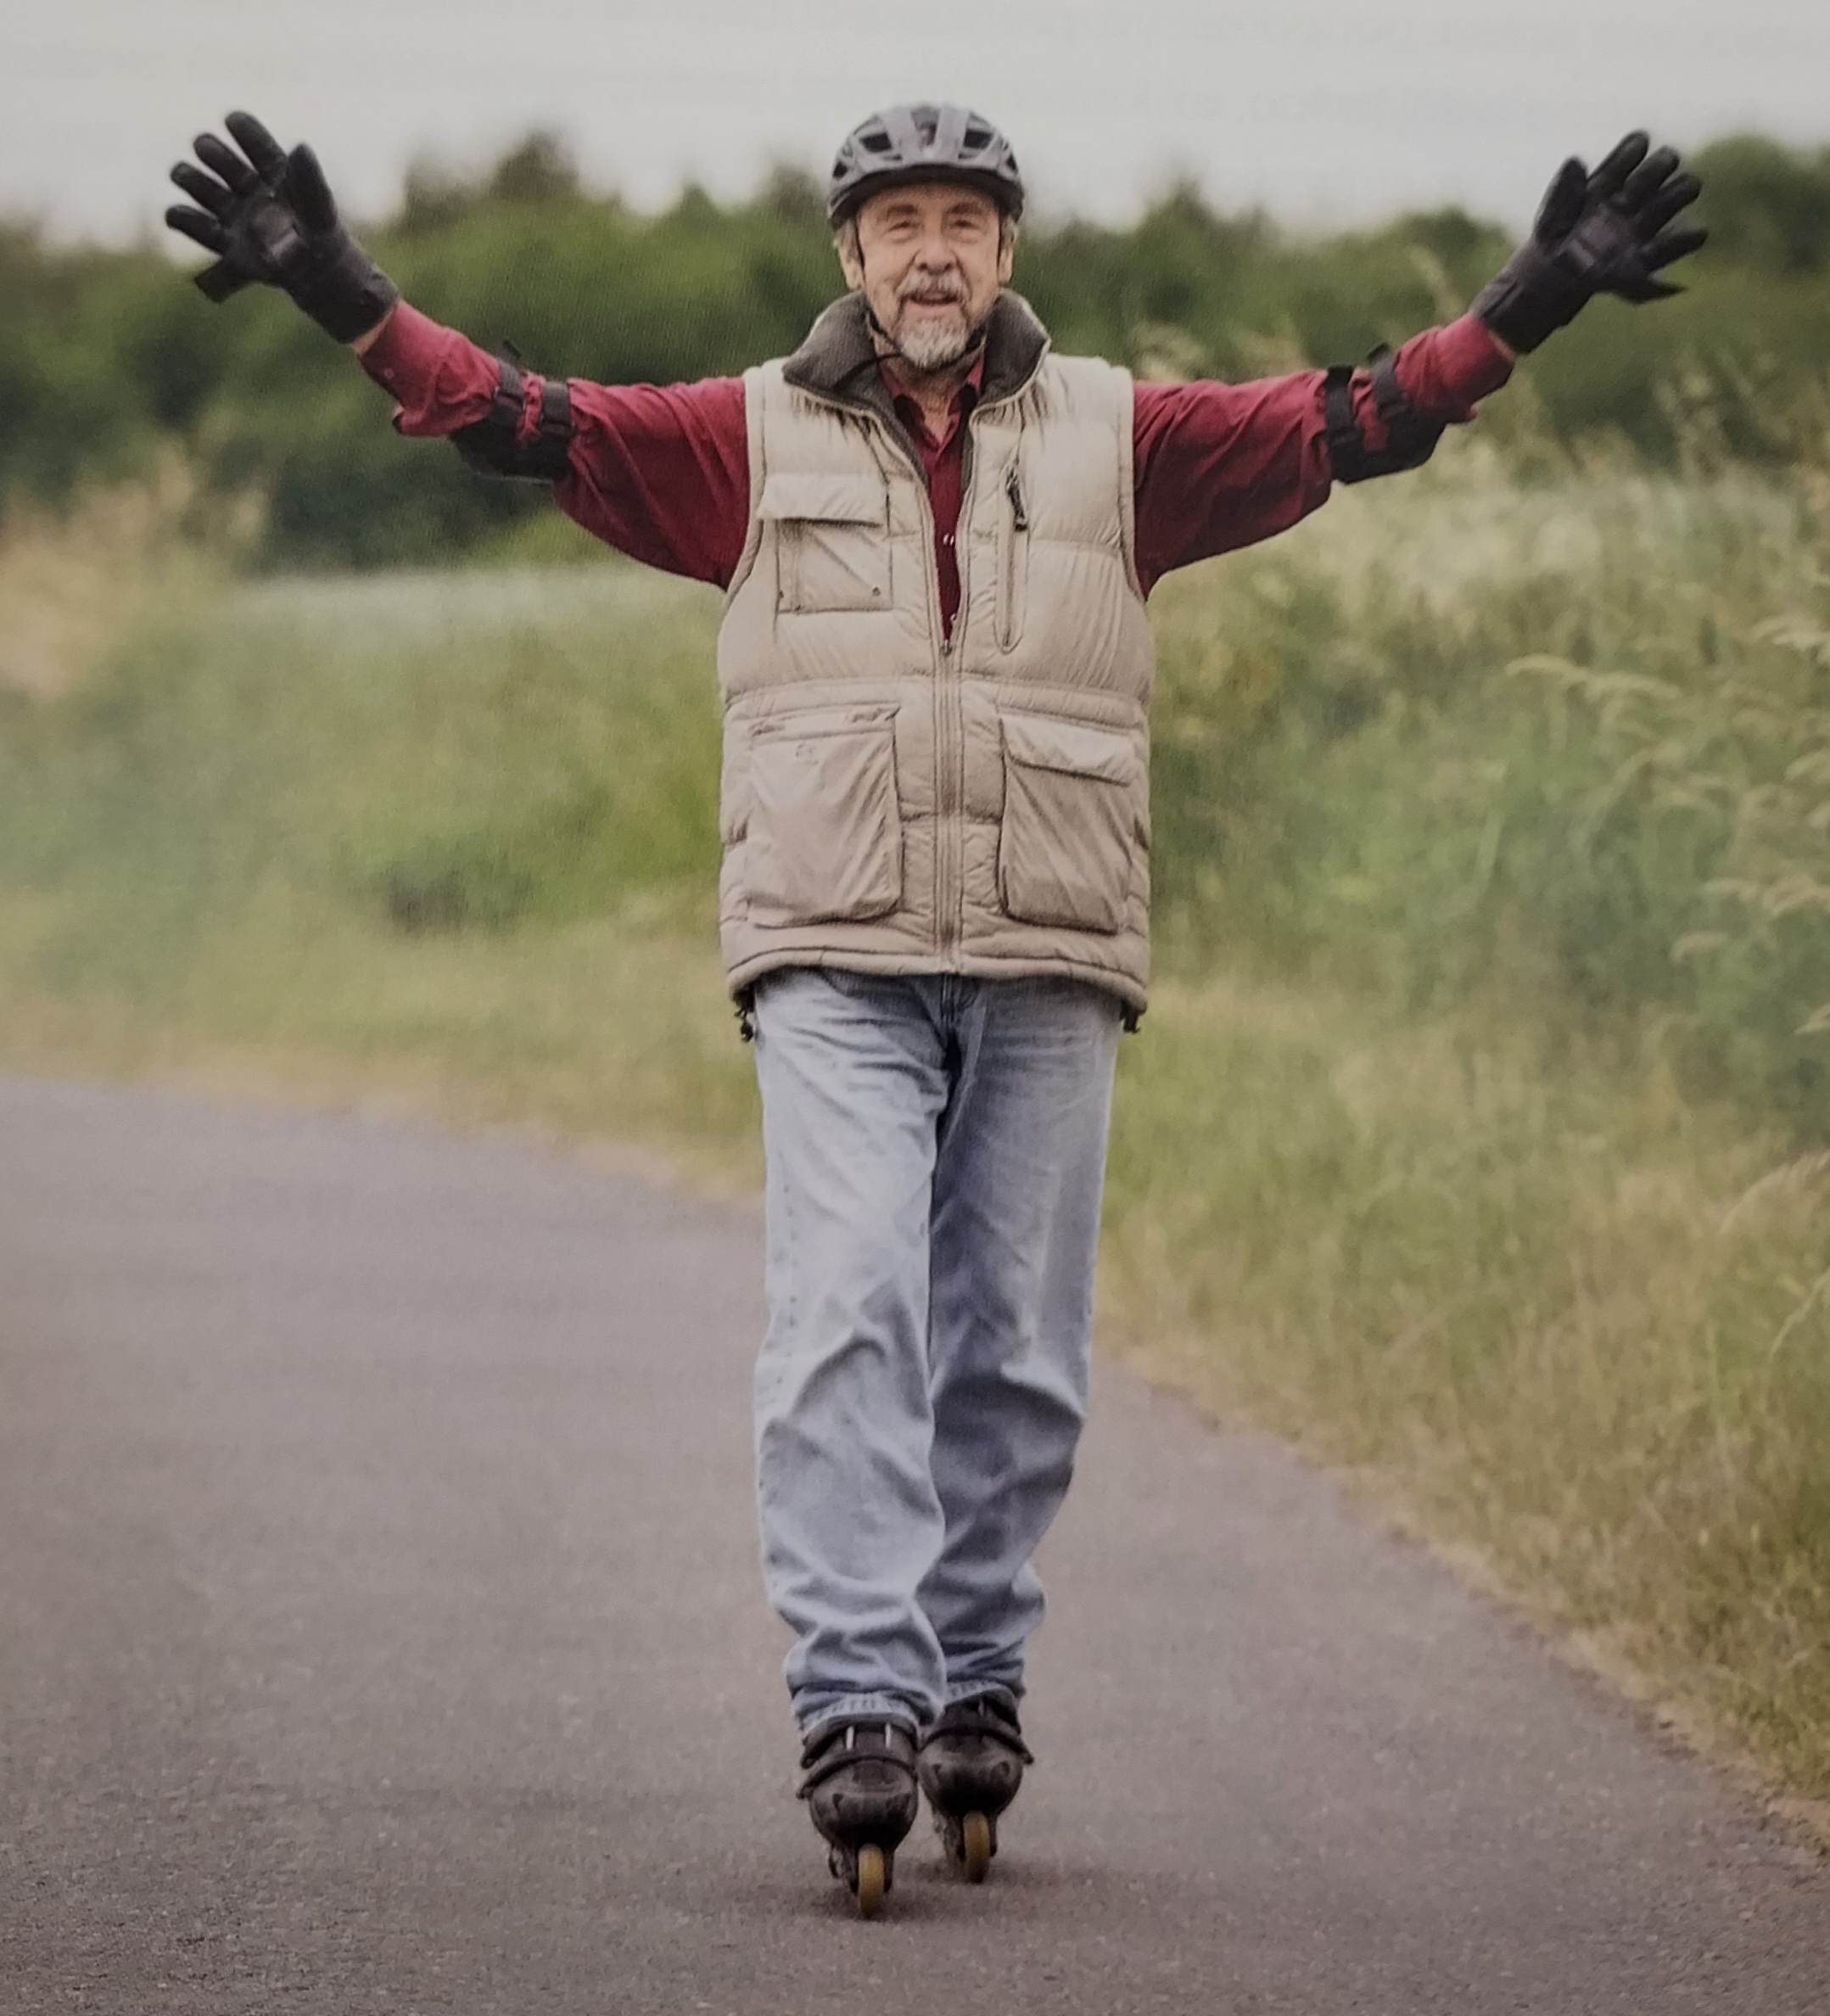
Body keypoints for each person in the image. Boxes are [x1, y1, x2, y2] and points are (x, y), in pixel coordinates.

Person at [165, 102, 1704, 1917]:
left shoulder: (1122, 438)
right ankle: (854, 1700)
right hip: (832, 950)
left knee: (1014, 1354)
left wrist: (1526, 303)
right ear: (848, 253)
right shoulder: (744, 437)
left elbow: (1348, 422)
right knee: (844, 1310)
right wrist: (341, 290)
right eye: (896, 220)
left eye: (963, 220)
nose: (931, 251)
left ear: (1005, 250)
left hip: (1050, 948)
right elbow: (519, 416)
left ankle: (974, 1676)